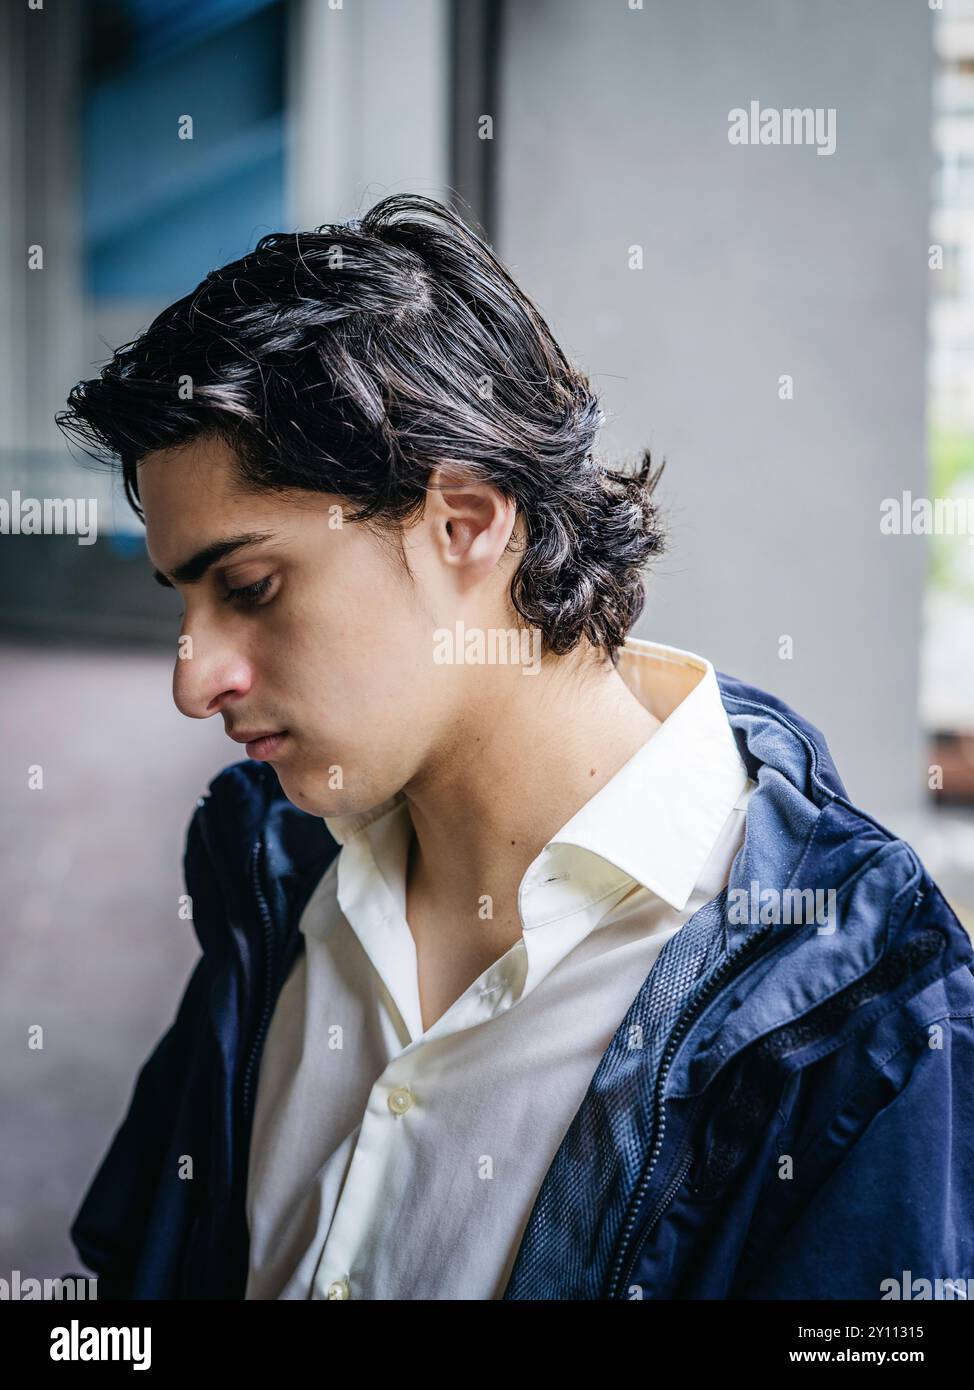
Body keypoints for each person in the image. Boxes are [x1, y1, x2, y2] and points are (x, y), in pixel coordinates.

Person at [57, 194, 974, 1300]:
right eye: (183, 603)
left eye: (249, 587)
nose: (193, 678)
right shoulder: (267, 861)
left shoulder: (857, 1004)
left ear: (464, 523)